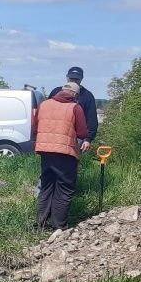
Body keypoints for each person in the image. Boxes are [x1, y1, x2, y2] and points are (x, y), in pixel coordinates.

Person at [32, 81, 89, 230]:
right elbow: (82, 132)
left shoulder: (44, 104)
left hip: (45, 151)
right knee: (64, 189)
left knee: (46, 186)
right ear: (75, 95)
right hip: (65, 153)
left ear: (61, 91)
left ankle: (40, 223)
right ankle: (59, 226)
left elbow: (35, 127)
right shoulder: (75, 107)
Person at [48, 66, 98, 152]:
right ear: (67, 77)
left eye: (76, 79)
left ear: (81, 79)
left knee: (72, 163)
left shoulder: (87, 96)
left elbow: (91, 119)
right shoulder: (56, 92)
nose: (74, 81)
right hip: (55, 134)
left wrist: (88, 139)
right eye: (71, 79)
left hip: (76, 137)